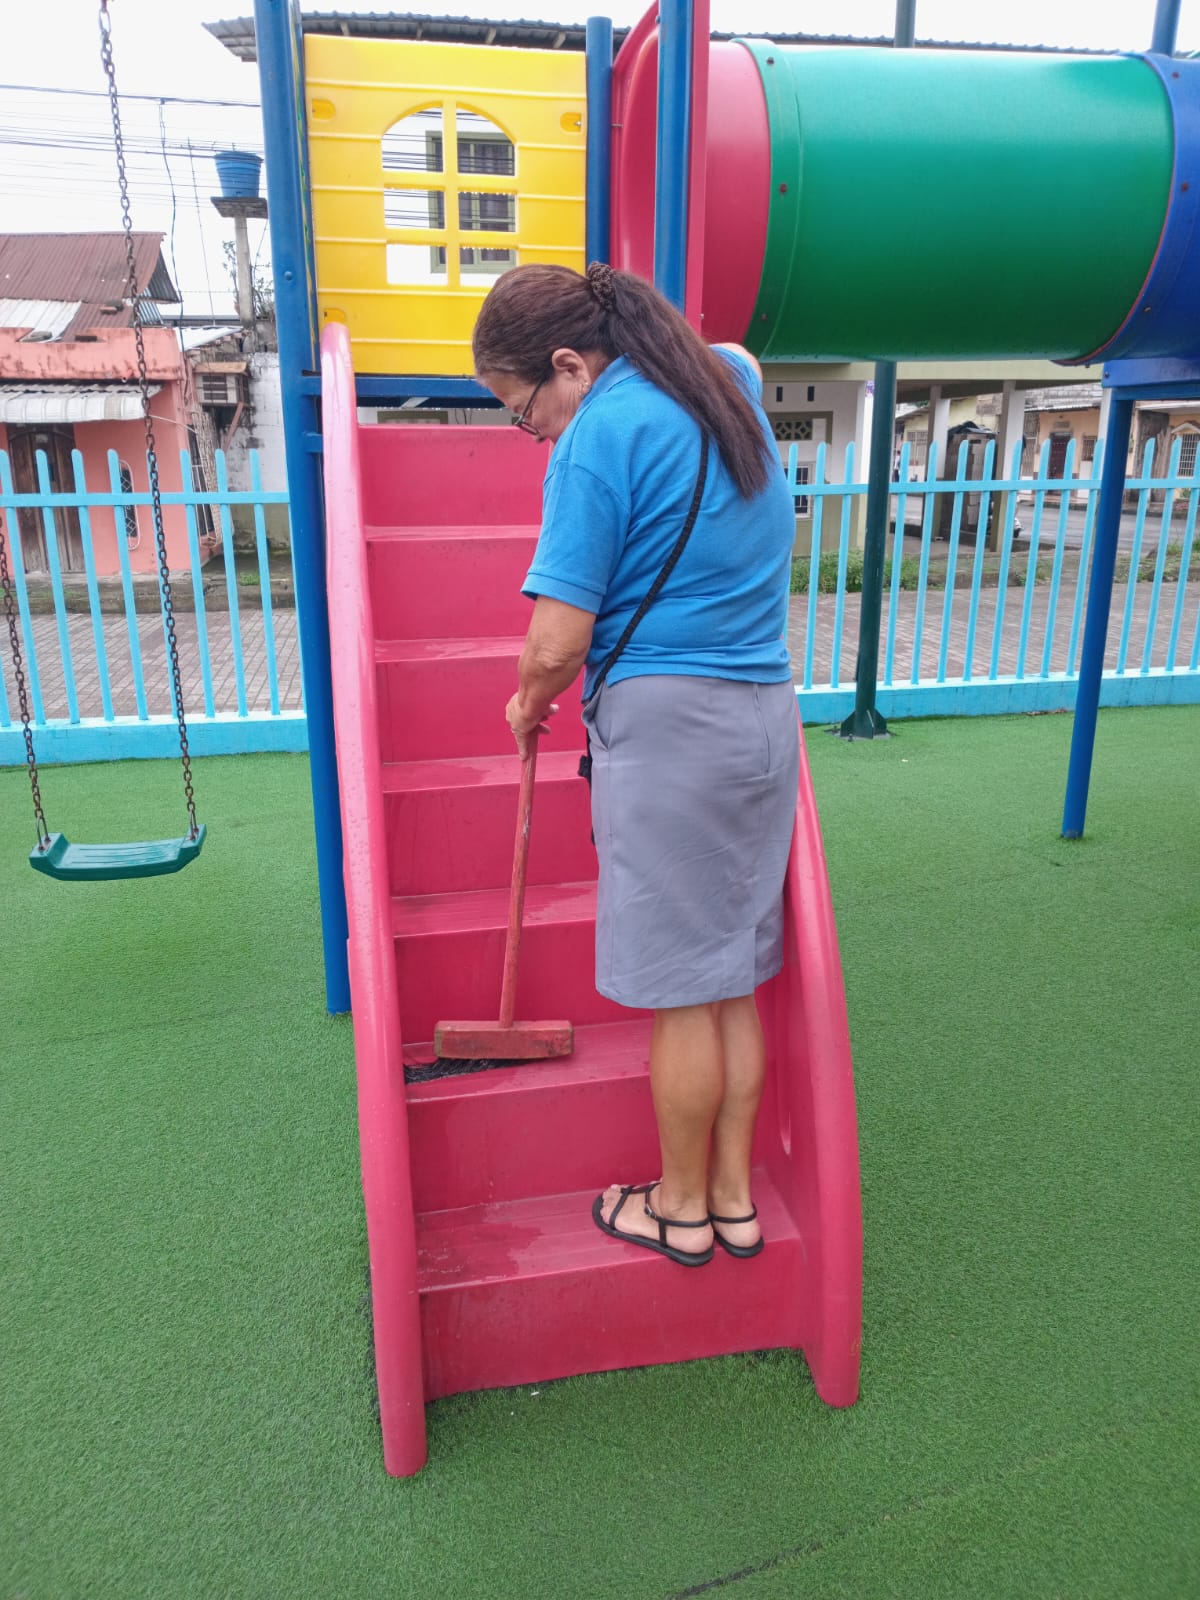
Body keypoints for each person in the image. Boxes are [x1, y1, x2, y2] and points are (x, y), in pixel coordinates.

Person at [472, 261, 800, 1267]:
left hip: (671, 735)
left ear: (570, 365)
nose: (530, 429)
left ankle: (682, 1207)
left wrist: (527, 703)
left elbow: (557, 641)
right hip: (764, 720)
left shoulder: (598, 439)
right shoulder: (723, 388)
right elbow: (734, 351)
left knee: (685, 993)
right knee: (732, 981)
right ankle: (735, 1199)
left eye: (522, 407)